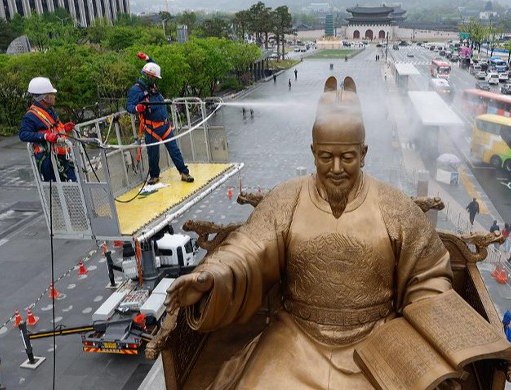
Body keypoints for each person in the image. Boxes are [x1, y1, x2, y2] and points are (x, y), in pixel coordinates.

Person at [165, 76, 455, 389]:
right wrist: (213, 277)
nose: (336, 169)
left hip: (376, 340)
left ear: (364, 152)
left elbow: (428, 275)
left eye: (347, 157)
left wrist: (430, 343)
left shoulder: (394, 205)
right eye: (326, 157)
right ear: (313, 151)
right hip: (296, 336)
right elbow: (246, 250)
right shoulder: (285, 199)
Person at [127, 52, 194, 185]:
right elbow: (129, 106)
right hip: (151, 127)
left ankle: (184, 172)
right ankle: (154, 175)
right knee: (153, 154)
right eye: (154, 77)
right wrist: (137, 109)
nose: (156, 80)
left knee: (174, 149)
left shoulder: (152, 85)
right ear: (148, 76)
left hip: (165, 125)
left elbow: (153, 66)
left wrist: (147, 58)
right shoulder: (136, 90)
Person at [19, 77, 77, 182]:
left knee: (74, 185)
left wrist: (64, 128)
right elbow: (23, 134)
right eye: (52, 94)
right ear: (44, 98)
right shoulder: (31, 116)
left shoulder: (50, 111)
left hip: (62, 156)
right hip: (48, 160)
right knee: (59, 190)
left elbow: (54, 130)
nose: (54, 97)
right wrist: (44, 136)